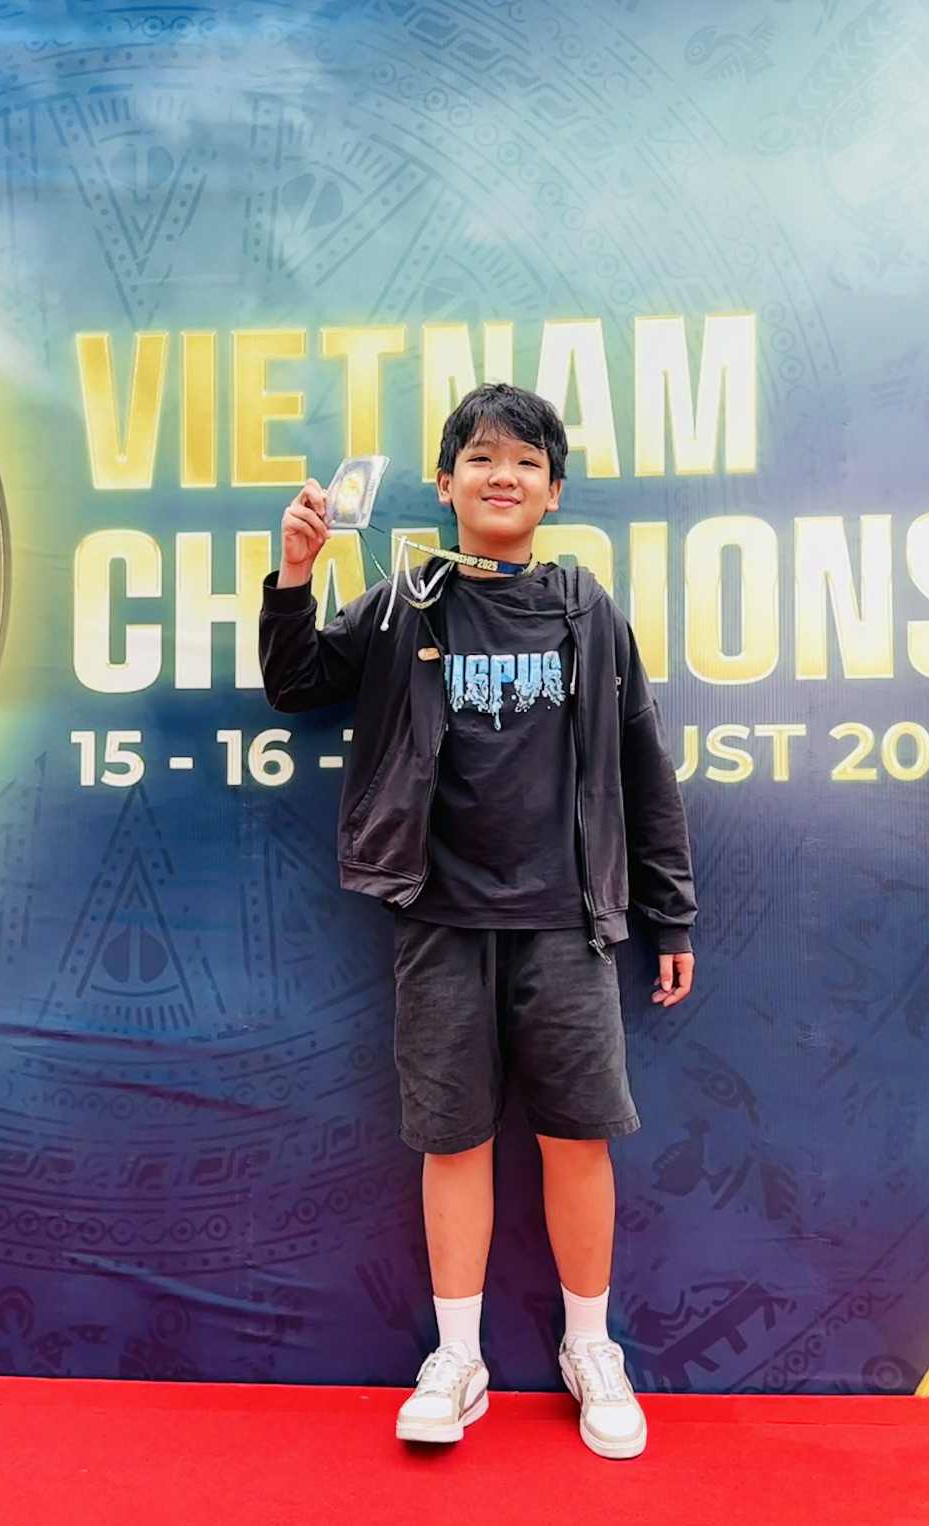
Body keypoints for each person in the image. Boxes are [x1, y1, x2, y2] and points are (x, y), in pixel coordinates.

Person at [258, 383, 698, 1460]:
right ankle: (458, 1360)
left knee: (576, 1138)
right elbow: (295, 683)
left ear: (554, 492)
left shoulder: (587, 611)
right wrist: (296, 575)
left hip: (568, 923)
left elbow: (642, 765)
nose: (503, 476)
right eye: (482, 459)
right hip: (440, 919)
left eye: (526, 462)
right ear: (445, 483)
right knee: (450, 1140)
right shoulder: (406, 601)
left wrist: (670, 914)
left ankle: (590, 1349)